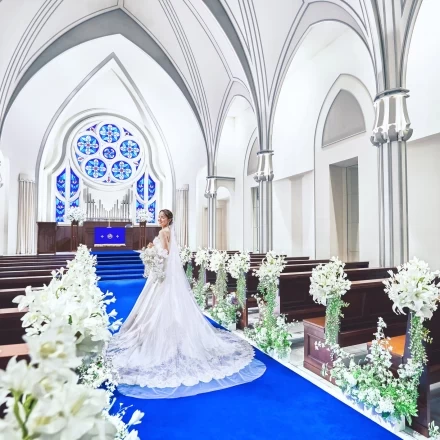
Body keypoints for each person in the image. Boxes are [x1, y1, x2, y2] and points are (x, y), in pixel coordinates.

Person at [107, 209, 265, 399]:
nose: (160, 219)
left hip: (163, 274)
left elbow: (165, 253)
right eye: (159, 217)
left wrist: (151, 252)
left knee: (159, 305)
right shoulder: (168, 232)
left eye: (162, 217)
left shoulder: (163, 232)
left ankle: (162, 339)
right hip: (166, 274)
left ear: (169, 220)